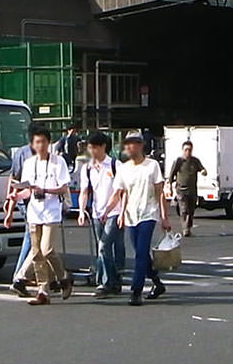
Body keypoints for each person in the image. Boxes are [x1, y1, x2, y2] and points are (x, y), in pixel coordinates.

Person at [10, 130, 72, 305]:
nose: (41, 145)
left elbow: (63, 188)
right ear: (32, 144)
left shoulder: (58, 162)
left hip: (52, 210)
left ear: (49, 143)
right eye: (37, 142)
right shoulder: (29, 163)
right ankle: (43, 291)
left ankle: (63, 277)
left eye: (44, 141)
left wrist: (45, 190)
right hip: (34, 212)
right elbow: (27, 189)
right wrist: (16, 196)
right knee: (36, 253)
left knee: (47, 249)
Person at [107, 132, 168, 305]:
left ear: (140, 145)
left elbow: (159, 193)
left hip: (148, 214)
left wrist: (164, 217)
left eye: (131, 144)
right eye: (126, 144)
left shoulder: (152, 166)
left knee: (141, 253)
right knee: (141, 254)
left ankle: (136, 291)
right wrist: (111, 211)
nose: (127, 147)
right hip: (130, 216)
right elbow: (120, 193)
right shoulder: (123, 169)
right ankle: (157, 282)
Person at [77, 133, 124, 297]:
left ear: (103, 146)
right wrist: (82, 211)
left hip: (114, 211)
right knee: (103, 249)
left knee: (104, 246)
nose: (92, 151)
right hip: (97, 212)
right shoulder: (87, 168)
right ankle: (114, 281)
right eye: (90, 147)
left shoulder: (114, 164)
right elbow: (84, 191)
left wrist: (110, 211)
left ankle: (105, 283)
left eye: (95, 147)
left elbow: (119, 192)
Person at [167, 140, 205, 236]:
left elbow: (202, 169)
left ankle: (189, 226)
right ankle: (185, 229)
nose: (188, 152)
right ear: (182, 150)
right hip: (181, 190)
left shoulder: (195, 161)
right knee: (184, 210)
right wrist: (170, 188)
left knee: (191, 210)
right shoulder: (179, 161)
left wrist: (203, 171)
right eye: (186, 150)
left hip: (192, 190)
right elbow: (171, 175)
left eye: (190, 150)